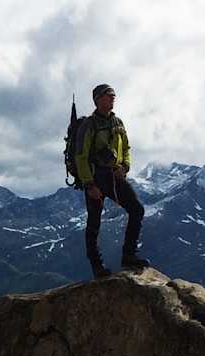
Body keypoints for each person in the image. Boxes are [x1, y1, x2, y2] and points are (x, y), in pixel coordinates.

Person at [74, 83, 149, 278]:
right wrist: (89, 184)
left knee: (137, 210)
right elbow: (81, 157)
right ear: (98, 99)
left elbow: (126, 148)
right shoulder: (88, 125)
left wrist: (125, 166)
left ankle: (129, 256)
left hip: (114, 176)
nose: (113, 97)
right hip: (96, 178)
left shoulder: (118, 123)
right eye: (109, 95)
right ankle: (97, 266)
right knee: (94, 223)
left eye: (113, 94)